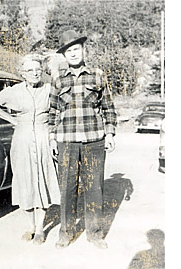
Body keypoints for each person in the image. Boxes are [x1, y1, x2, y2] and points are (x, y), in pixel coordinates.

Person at [49, 30, 117, 249]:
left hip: (94, 141)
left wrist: (110, 133)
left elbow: (108, 107)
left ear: (83, 49)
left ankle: (95, 234)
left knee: (94, 187)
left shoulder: (97, 75)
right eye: (69, 51)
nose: (73, 54)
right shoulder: (58, 79)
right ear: (64, 55)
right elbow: (52, 111)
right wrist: (52, 137)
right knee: (67, 188)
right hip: (66, 141)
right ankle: (66, 233)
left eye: (76, 49)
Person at [0, 54, 60, 244]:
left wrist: (54, 135)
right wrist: (12, 119)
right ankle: (30, 227)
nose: (35, 73)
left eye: (38, 69)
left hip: (44, 137)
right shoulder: (14, 91)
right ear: (22, 74)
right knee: (25, 181)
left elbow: (60, 110)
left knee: (41, 181)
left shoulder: (49, 90)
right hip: (22, 139)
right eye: (30, 70)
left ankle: (41, 229)